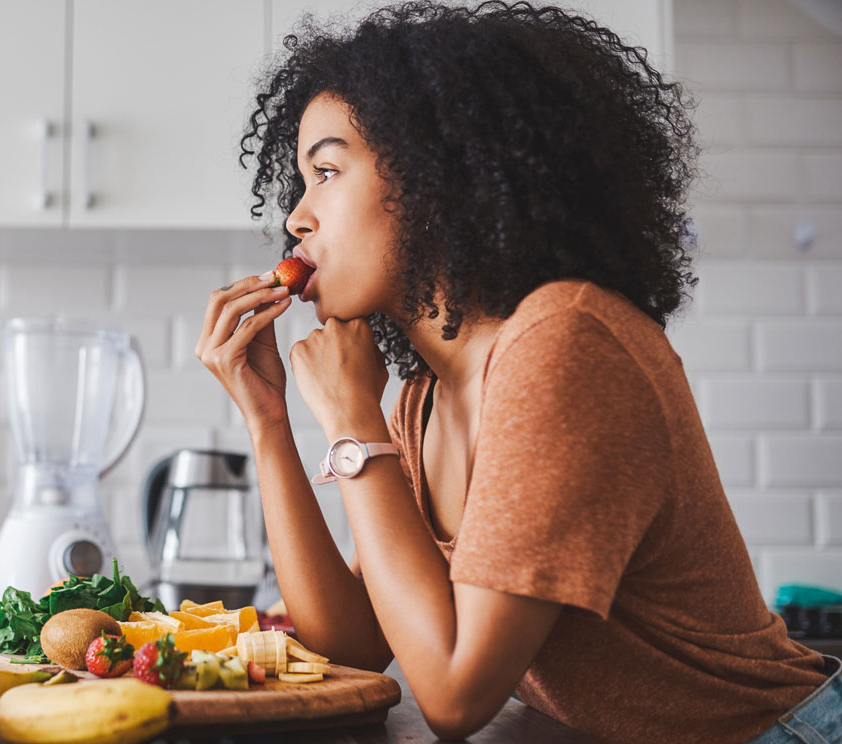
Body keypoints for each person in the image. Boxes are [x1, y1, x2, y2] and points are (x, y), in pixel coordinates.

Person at [195, 2, 839, 742]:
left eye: (328, 172)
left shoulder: (565, 343)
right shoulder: (422, 396)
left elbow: (453, 696)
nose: (298, 219)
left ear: (438, 179)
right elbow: (356, 644)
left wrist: (351, 425)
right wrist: (269, 419)